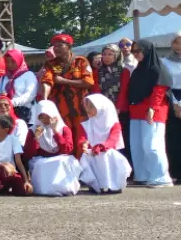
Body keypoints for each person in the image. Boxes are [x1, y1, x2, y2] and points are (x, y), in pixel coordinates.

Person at [120, 43, 173, 186]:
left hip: (153, 110)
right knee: (137, 146)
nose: (135, 54)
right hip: (136, 111)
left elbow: (159, 90)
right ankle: (142, 175)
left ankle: (161, 177)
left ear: (147, 51)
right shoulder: (138, 69)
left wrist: (152, 108)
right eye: (133, 51)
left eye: (138, 51)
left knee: (152, 145)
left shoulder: (158, 68)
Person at [41, 34, 95, 153]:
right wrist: (44, 100)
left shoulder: (81, 61)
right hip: (61, 112)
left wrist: (64, 81)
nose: (56, 48)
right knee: (66, 143)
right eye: (55, 46)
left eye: (60, 45)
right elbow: (47, 81)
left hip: (81, 110)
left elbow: (89, 82)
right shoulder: (51, 64)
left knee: (82, 143)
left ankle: (84, 164)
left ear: (69, 47)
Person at [25, 100, 81, 197]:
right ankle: (45, 190)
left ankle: (64, 189)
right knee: (40, 164)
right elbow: (28, 154)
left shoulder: (63, 129)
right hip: (42, 159)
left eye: (47, 116)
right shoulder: (33, 130)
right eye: (41, 116)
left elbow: (67, 149)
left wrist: (55, 130)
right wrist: (36, 138)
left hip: (60, 157)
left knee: (61, 161)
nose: (44, 119)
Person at [77, 93, 130, 193]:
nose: (87, 110)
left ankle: (114, 185)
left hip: (107, 152)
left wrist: (101, 147)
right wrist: (83, 144)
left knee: (108, 155)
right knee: (86, 155)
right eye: (87, 106)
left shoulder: (114, 125)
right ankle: (94, 184)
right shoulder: (87, 124)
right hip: (94, 152)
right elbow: (83, 137)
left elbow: (112, 140)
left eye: (91, 107)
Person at [0, 47, 37, 121]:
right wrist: (2, 98)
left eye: (13, 61)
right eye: (7, 62)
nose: (10, 64)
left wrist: (12, 102)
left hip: (24, 112)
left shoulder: (28, 75)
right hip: (6, 112)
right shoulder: (4, 77)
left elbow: (30, 95)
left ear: (19, 60)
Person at [163, 33, 181, 183]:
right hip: (171, 99)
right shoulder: (164, 62)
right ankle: (175, 172)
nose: (179, 45)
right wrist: (176, 104)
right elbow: (165, 84)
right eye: (176, 42)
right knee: (174, 138)